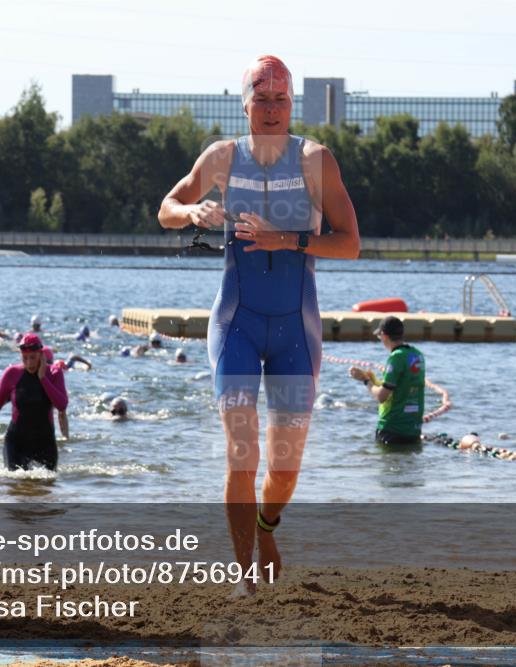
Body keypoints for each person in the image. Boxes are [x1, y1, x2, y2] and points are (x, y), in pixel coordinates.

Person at [158, 55, 360, 592]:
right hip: (236, 324)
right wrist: (192, 214)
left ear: (291, 105)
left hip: (296, 327)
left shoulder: (316, 160)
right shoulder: (222, 158)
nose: (271, 110)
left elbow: (350, 244)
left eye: (280, 100)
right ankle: (243, 570)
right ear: (244, 103)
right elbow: (166, 207)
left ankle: (268, 528)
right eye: (261, 99)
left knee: (286, 466)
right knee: (241, 451)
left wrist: (286, 239)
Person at [0, 334, 68, 470]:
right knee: (16, 486)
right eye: (25, 358)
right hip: (17, 443)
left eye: (32, 357)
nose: (29, 363)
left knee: (47, 486)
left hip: (45, 442)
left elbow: (62, 405)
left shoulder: (54, 373)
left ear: (41, 354)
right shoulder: (12, 374)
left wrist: (42, 378)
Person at [349, 316, 425, 446]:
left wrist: (366, 380)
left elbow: (381, 396)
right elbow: (401, 388)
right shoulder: (417, 355)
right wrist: (374, 380)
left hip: (392, 430)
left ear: (384, 335)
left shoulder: (396, 357)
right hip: (413, 431)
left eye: (379, 337)